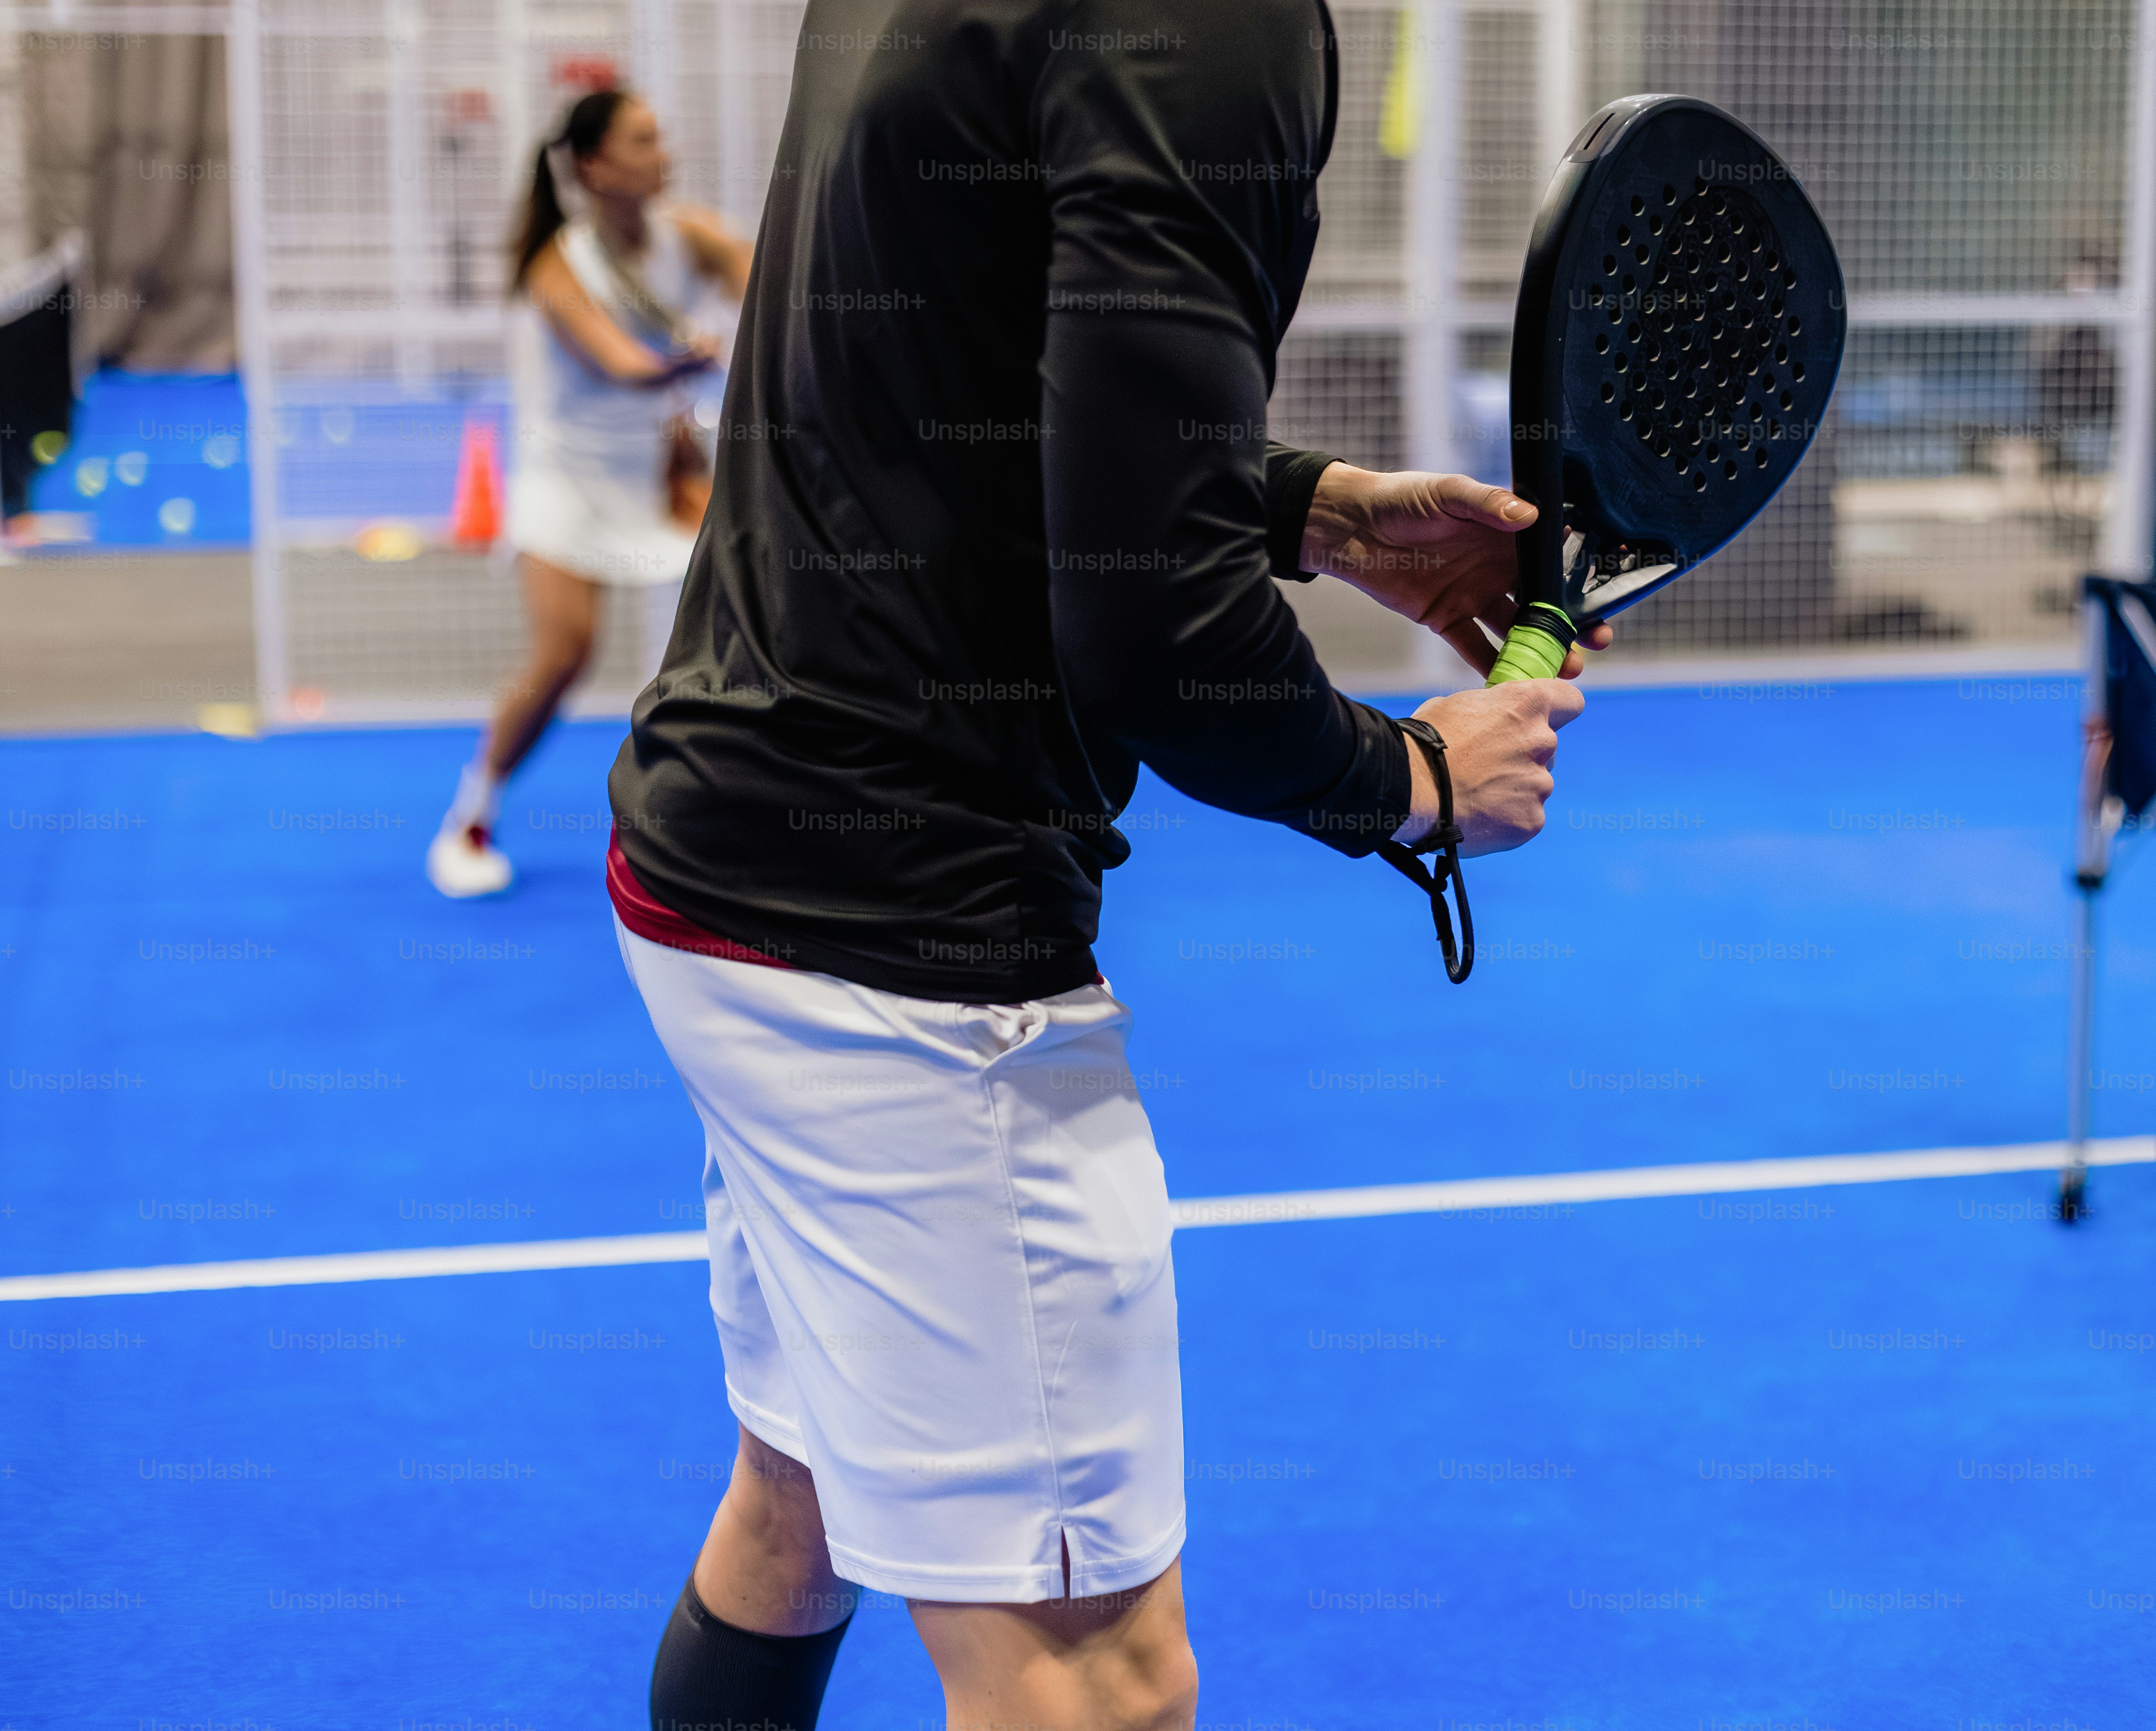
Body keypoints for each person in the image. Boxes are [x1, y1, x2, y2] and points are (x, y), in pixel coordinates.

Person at [607, 2, 1605, 1725]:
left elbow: (933, 339)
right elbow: (1154, 624)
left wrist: (1292, 505)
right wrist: (1409, 777)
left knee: (802, 1511)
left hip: (721, 850)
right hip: (902, 953)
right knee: (1103, 1680)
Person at [426, 87, 750, 899]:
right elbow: (623, 364)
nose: (663, 153)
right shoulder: (556, 266)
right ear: (597, 166)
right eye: (644, 140)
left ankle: (738, 819)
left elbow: (779, 286)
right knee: (562, 655)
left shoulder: (692, 235)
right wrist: (689, 360)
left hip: (657, 477)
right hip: (562, 487)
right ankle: (471, 812)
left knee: (751, 622)